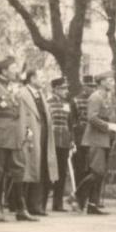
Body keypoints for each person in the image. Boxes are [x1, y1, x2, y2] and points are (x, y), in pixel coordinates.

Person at [0, 56, 32, 222]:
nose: (16, 71)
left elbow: (20, 113)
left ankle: (20, 209)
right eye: (13, 68)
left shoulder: (14, 89)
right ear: (3, 71)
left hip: (15, 136)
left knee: (18, 170)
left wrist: (26, 130)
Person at [74, 71, 116, 215]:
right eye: (109, 81)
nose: (112, 83)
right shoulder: (95, 97)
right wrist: (109, 126)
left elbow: (111, 116)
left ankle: (92, 204)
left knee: (100, 173)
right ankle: (76, 195)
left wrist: (114, 131)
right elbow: (92, 118)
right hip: (95, 138)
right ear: (101, 82)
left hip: (105, 138)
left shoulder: (108, 97)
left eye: (113, 81)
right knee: (97, 171)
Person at [19, 69, 58, 216]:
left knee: (41, 169)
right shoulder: (22, 94)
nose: (44, 80)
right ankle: (21, 206)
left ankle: (35, 205)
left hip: (44, 137)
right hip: (29, 137)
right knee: (27, 170)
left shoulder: (41, 95)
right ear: (32, 78)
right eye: (41, 77)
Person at [46, 77, 76, 212]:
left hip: (64, 141)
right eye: (63, 88)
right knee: (48, 172)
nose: (66, 91)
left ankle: (58, 204)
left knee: (62, 173)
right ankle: (41, 203)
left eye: (66, 88)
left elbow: (70, 124)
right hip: (51, 141)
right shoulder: (48, 102)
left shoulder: (67, 104)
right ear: (56, 89)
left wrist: (71, 140)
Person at [70, 74, 94, 204]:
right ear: (84, 86)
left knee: (92, 169)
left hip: (92, 138)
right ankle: (79, 198)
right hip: (80, 138)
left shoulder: (95, 99)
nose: (92, 89)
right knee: (79, 168)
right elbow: (72, 121)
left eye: (93, 86)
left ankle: (90, 198)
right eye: (89, 86)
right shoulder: (76, 100)